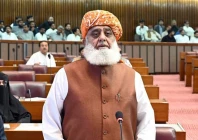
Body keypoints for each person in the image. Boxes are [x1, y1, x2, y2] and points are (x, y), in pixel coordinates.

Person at [42, 10, 155, 140]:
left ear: (115, 40)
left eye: (108, 33)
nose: (102, 38)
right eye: (95, 34)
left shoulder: (133, 76)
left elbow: (146, 121)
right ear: (85, 41)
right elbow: (51, 121)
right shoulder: (65, 74)